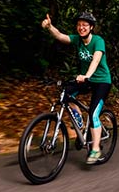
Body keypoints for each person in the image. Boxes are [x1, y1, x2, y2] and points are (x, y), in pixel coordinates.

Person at [41, 11, 112, 164]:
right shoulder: (77, 40)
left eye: (85, 25)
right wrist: (49, 27)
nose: (81, 27)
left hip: (101, 81)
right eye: (79, 25)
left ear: (91, 27)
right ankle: (80, 126)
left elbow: (96, 59)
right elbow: (60, 36)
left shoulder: (98, 41)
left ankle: (96, 149)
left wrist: (86, 75)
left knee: (93, 114)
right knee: (66, 94)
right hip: (86, 78)